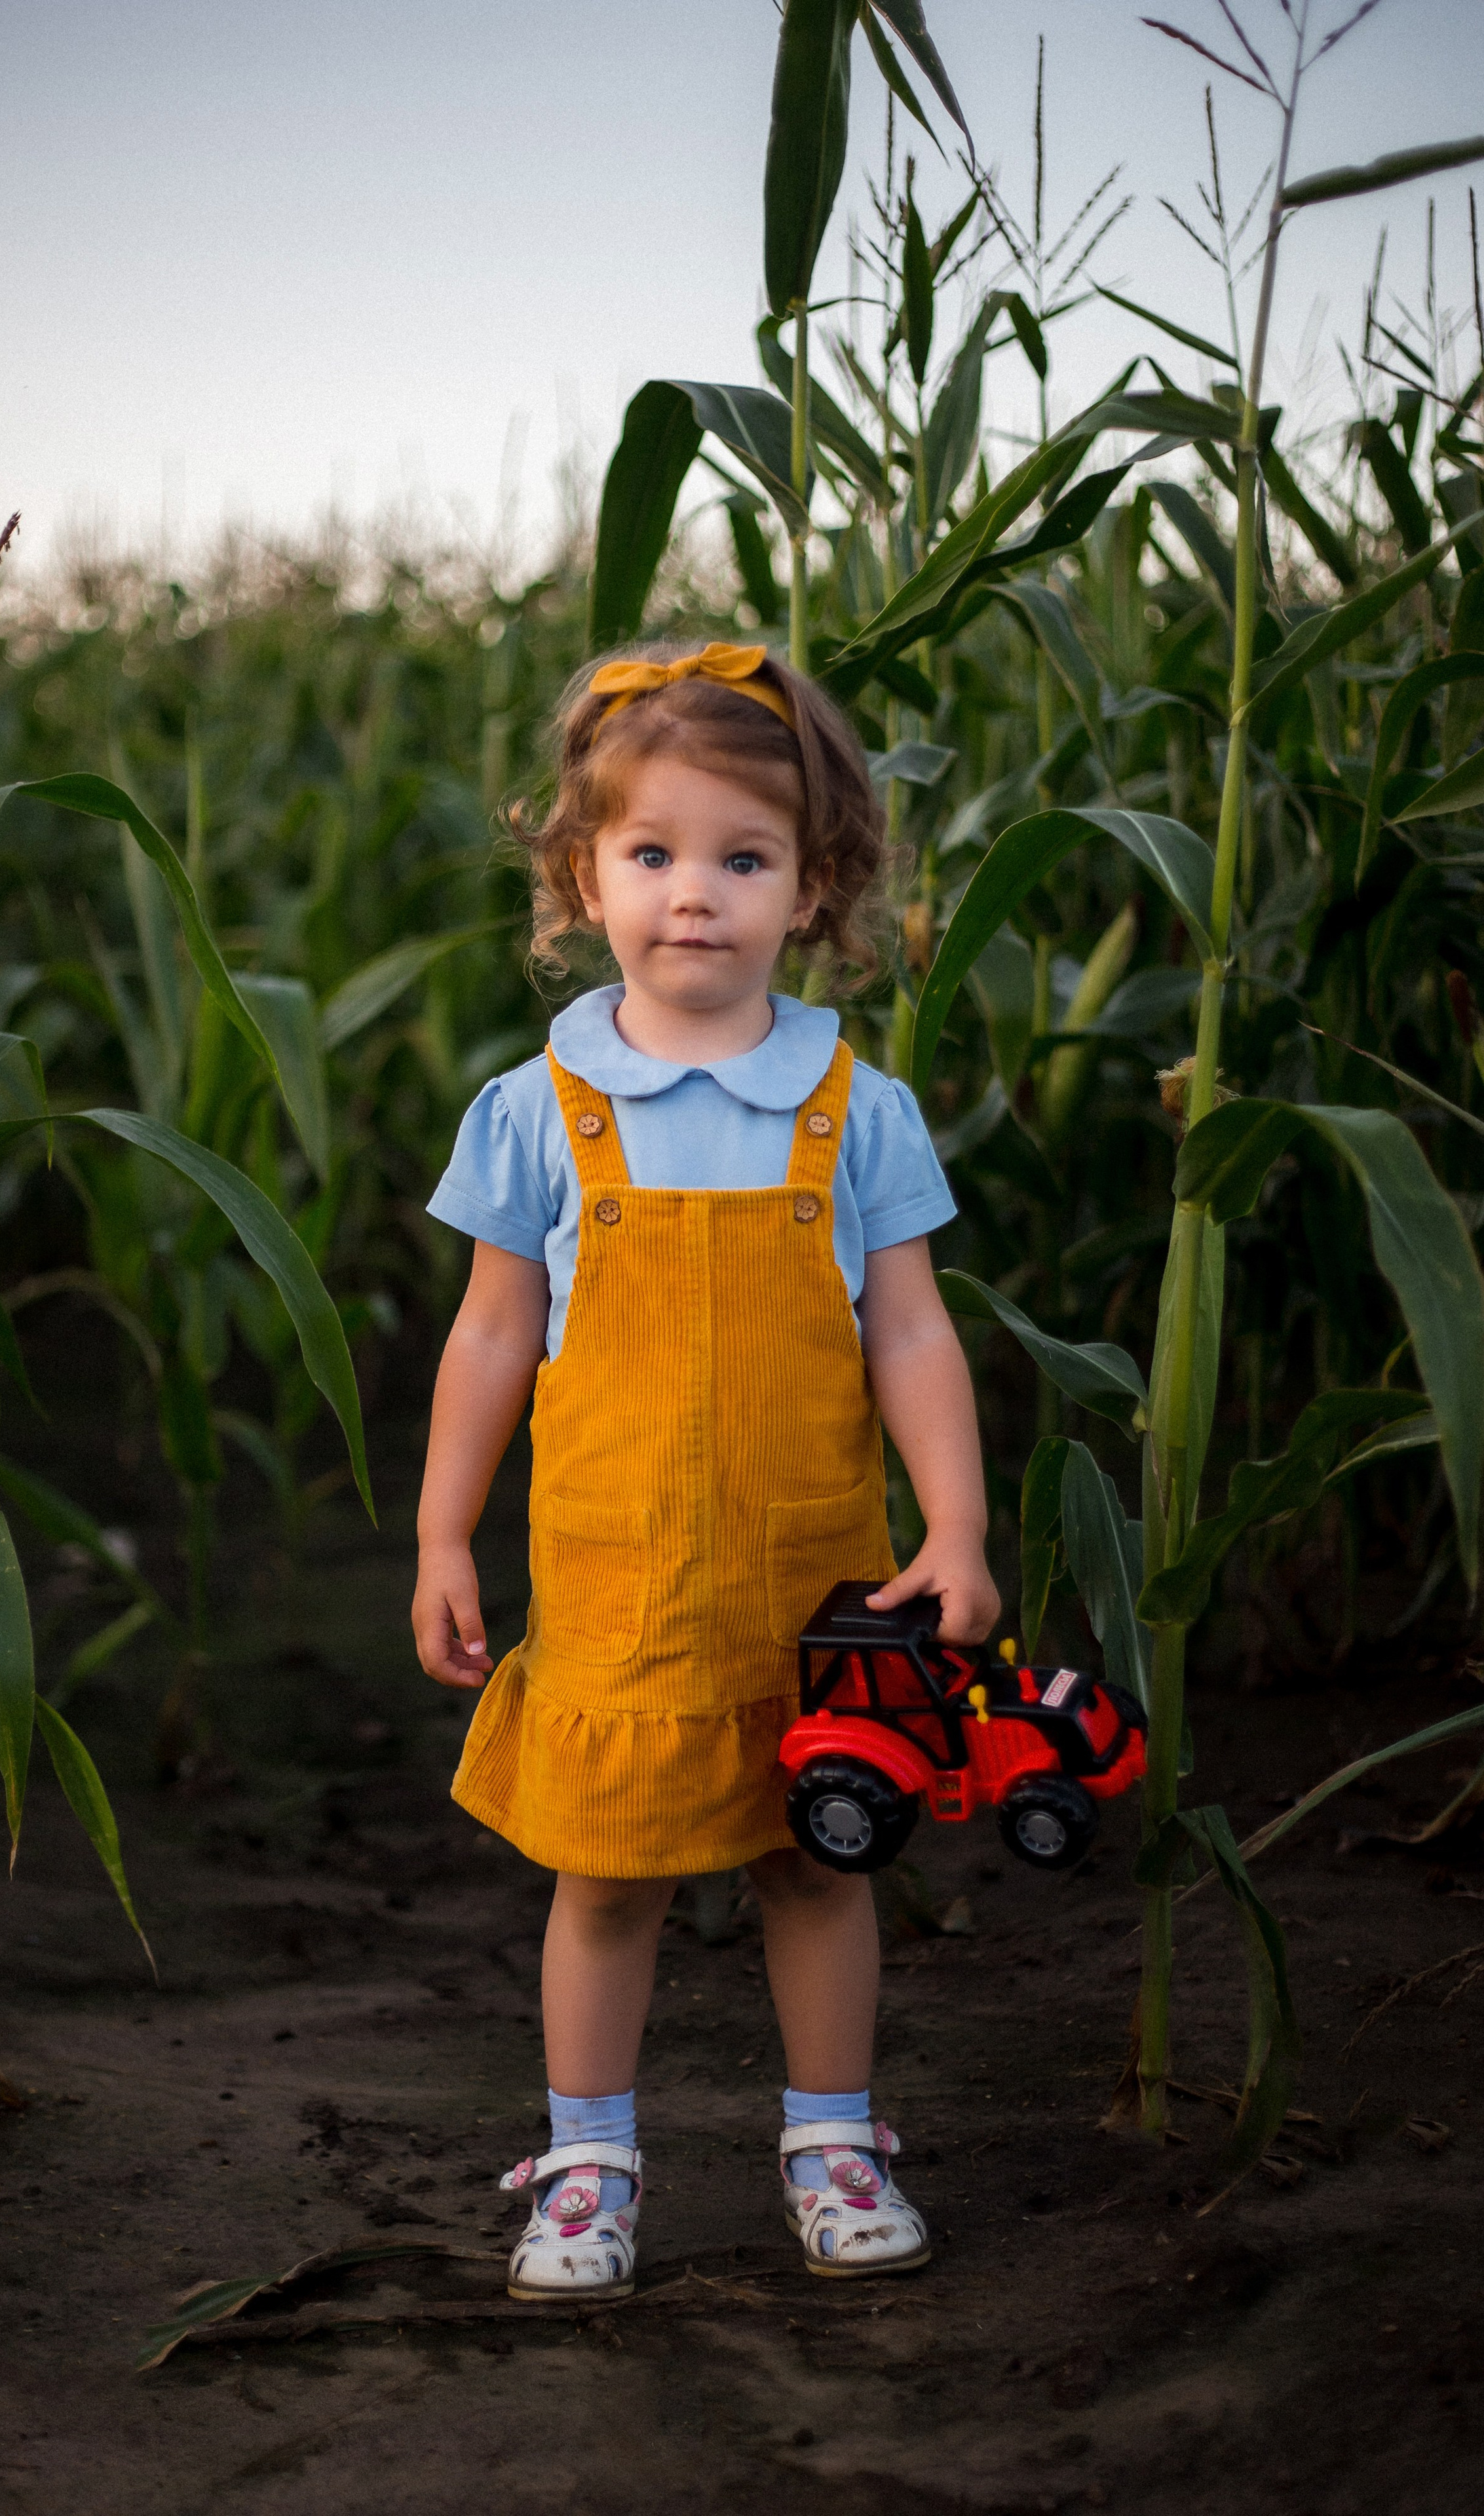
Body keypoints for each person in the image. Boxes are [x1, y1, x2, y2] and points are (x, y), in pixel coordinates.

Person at [413, 640, 1000, 2299]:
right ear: (579, 877)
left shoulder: (853, 1109)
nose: (694, 895)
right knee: (604, 1877)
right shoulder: (537, 1111)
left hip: (812, 1582)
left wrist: (956, 1524)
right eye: (652, 852)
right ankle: (587, 2160)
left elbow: (909, 1332)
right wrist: (443, 1533)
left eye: (743, 859)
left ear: (810, 889)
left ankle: (831, 2139)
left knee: (817, 1859)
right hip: (619, 1579)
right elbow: (488, 1338)